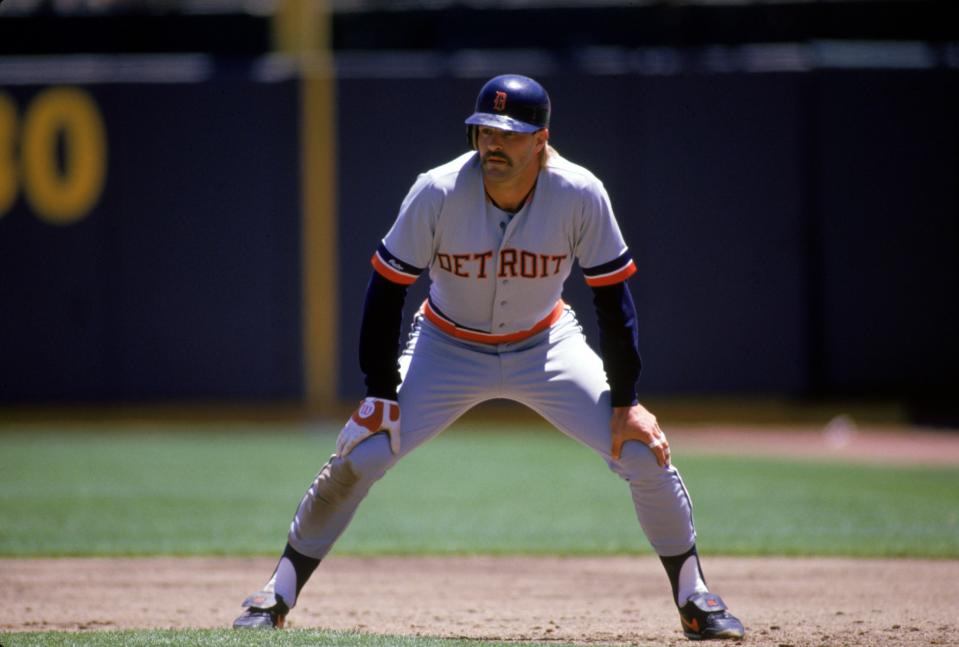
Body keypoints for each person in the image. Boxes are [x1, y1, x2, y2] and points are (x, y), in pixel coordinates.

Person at [233, 74, 745, 641]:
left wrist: (627, 402)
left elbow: (614, 304)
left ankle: (694, 595)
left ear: (541, 140)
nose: (494, 143)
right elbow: (386, 288)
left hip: (546, 344)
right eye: (485, 129)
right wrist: (380, 392)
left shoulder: (580, 192)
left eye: (510, 132)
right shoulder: (438, 190)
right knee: (366, 452)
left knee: (643, 451)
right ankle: (276, 593)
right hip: (445, 345)